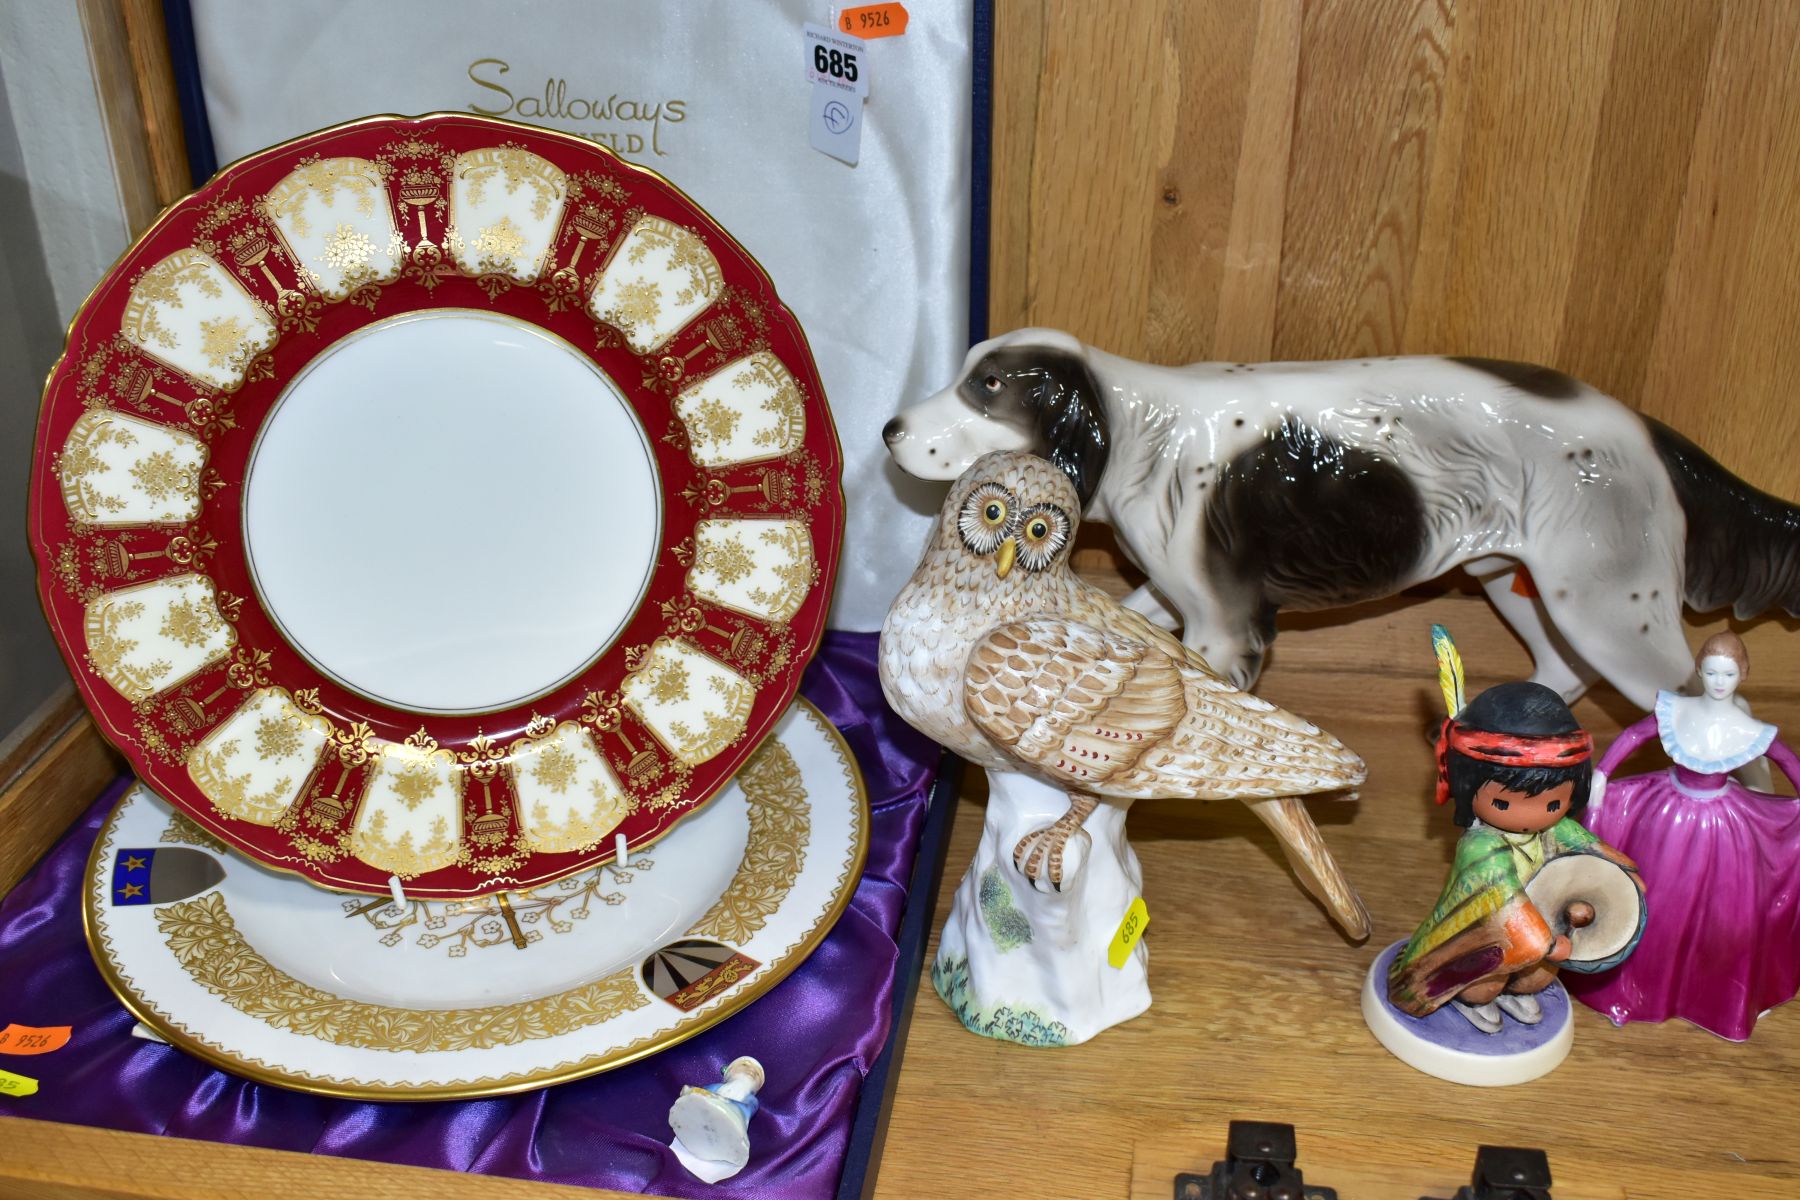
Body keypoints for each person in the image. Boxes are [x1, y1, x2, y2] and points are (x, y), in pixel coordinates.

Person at [1567, 632, 1800, 1040]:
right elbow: (1636, 735)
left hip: (1723, 826)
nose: (1719, 680)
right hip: (1666, 815)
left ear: (1742, 674)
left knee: (1724, 910)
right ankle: (1631, 989)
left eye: (1728, 672)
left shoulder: (1746, 727)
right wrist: (1602, 773)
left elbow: (1784, 757)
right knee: (1653, 899)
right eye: (1711, 671)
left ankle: (1712, 994)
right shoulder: (1677, 710)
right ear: (1699, 670)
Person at [1390, 678, 1641, 1032]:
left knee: (1539, 976)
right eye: (1503, 803)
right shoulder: (1482, 846)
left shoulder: (1554, 829)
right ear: (1467, 788)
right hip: (1490, 935)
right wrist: (1547, 942)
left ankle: (1516, 989)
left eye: (1553, 803)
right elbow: (1504, 900)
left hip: (1541, 929)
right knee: (1486, 980)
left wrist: (1622, 875)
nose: (1531, 815)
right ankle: (1467, 997)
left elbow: (1588, 846)